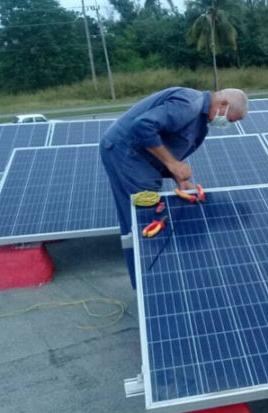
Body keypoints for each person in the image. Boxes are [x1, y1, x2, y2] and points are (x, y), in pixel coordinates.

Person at [100, 87, 248, 288]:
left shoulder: (200, 124)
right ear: (223, 105)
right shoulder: (189, 104)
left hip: (141, 158)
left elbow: (167, 144)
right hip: (127, 154)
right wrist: (173, 164)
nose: (227, 124)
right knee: (144, 218)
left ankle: (150, 280)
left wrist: (177, 176)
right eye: (230, 120)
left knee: (147, 216)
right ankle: (148, 286)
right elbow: (142, 126)